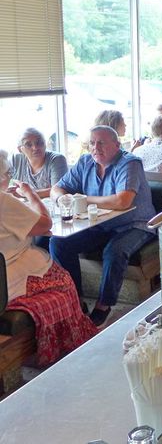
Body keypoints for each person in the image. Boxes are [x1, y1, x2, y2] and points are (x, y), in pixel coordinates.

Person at [49, 126, 157, 326]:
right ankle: (76, 300)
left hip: (135, 224)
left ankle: (103, 305)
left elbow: (122, 201)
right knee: (58, 243)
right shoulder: (85, 162)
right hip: (101, 225)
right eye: (92, 142)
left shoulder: (129, 162)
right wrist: (62, 199)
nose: (95, 147)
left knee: (114, 251)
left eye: (101, 142)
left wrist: (82, 199)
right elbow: (57, 188)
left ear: (116, 145)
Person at [0, 151, 97, 365]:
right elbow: (45, 224)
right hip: (8, 275)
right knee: (64, 281)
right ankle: (66, 343)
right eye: (7, 173)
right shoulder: (3, 201)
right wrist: (30, 194)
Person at [11, 128, 68, 198]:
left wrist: (26, 193)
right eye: (28, 144)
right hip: (22, 206)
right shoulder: (15, 159)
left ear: (45, 144)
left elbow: (59, 190)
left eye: (39, 142)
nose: (35, 147)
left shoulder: (56, 159)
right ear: (20, 149)